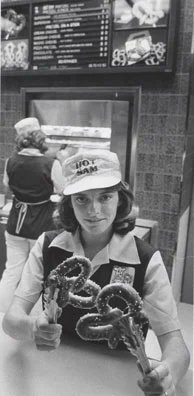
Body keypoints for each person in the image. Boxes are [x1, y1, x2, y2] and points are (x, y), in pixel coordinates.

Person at [2, 149, 190, 396]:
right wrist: (32, 329)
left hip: (117, 383)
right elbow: (10, 321)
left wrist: (168, 374)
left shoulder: (145, 259)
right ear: (69, 202)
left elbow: (175, 344)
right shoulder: (48, 246)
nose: (94, 210)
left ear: (120, 199)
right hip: (53, 375)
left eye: (105, 197)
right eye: (82, 199)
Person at [0, 117, 65, 312]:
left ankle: (2, 314)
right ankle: (36, 317)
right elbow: (63, 189)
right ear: (39, 138)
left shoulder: (10, 161)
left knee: (12, 271)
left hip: (15, 224)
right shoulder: (50, 163)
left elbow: (7, 185)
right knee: (40, 273)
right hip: (42, 226)